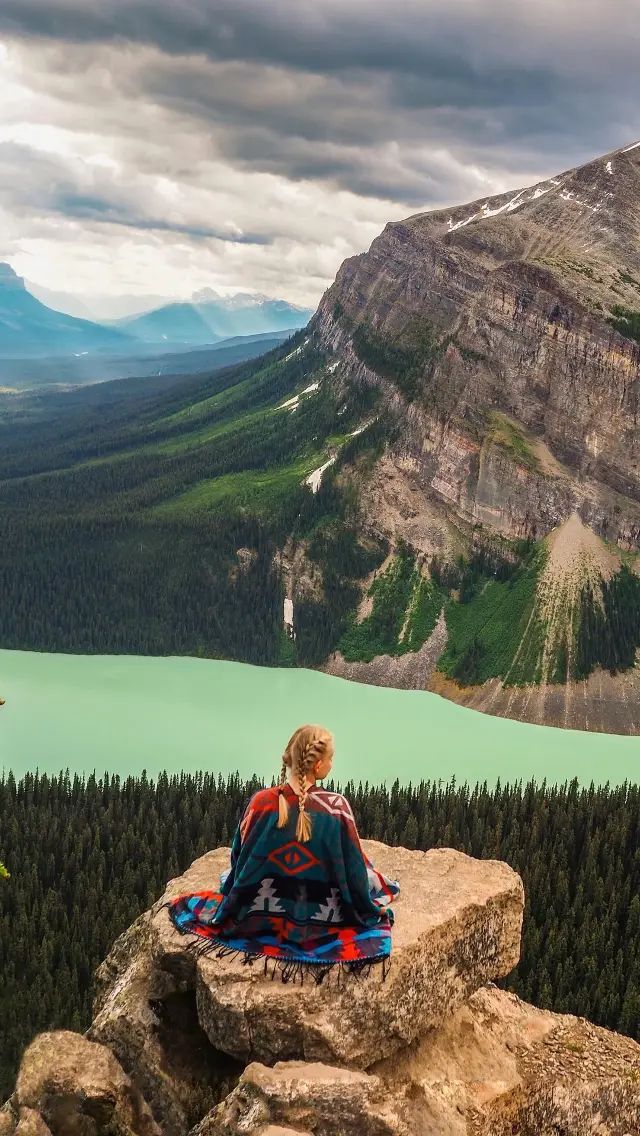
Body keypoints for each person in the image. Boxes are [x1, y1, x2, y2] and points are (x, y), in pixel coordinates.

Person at [168, 725, 399, 981]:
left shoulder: (261, 803)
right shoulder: (337, 808)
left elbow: (238, 858)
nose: (332, 764)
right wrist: (368, 901)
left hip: (256, 912)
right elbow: (353, 869)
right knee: (373, 880)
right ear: (318, 764)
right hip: (327, 915)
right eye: (331, 759)